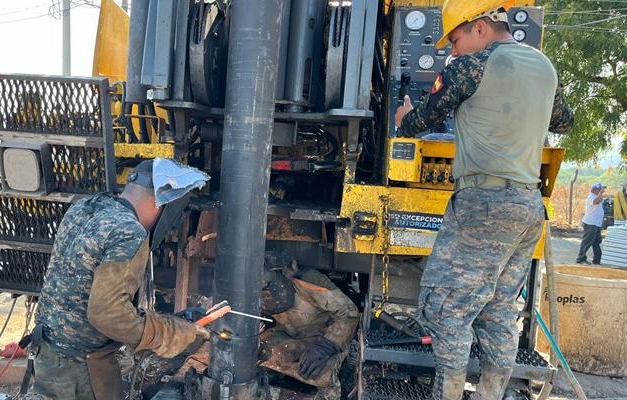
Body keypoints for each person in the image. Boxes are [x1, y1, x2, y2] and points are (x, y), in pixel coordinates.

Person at [393, 0, 574, 398]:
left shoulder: (469, 67)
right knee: (498, 312)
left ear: (479, 27)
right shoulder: (545, 67)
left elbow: (422, 121)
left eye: (455, 39)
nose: (451, 50)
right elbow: (563, 120)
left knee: (444, 309)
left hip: (484, 203)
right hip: (528, 207)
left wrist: (403, 116)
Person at [28, 158, 210, 400]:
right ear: (161, 204)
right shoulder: (129, 232)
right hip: (81, 369)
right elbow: (107, 314)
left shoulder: (85, 207)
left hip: (46, 351)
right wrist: (170, 334)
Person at [258, 253, 359, 400]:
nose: (265, 296)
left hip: (323, 338)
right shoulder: (249, 289)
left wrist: (325, 347)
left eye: (267, 286)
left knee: (316, 372)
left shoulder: (308, 281)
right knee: (262, 353)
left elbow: (349, 313)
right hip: (289, 335)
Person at [576, 183, 606, 265]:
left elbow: (599, 200)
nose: (601, 191)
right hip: (590, 224)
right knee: (587, 242)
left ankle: (597, 259)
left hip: (596, 224)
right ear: (595, 190)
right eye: (599, 189)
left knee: (596, 242)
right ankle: (580, 259)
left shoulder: (597, 196)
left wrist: (600, 194)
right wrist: (600, 193)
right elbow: (595, 202)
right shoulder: (591, 197)